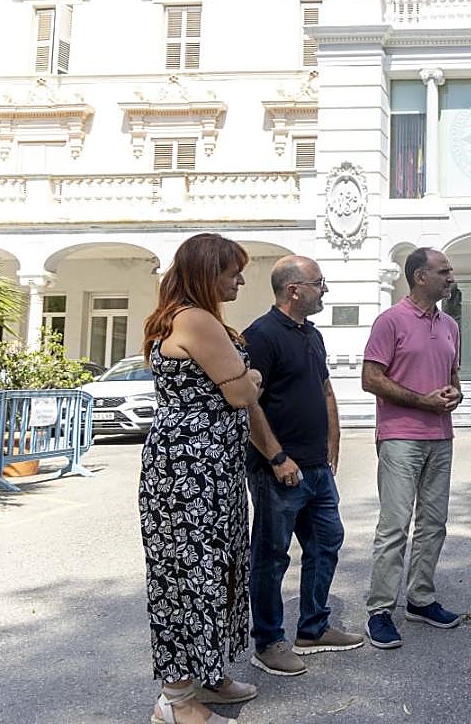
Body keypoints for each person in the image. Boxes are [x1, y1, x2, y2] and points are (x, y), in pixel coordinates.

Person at [140, 232, 262, 724]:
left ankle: (207, 674)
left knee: (217, 569)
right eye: (232, 271)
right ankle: (175, 699)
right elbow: (239, 394)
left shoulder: (184, 316)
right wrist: (250, 379)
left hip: (203, 468)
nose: (239, 278)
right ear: (207, 272)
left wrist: (240, 379)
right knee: (190, 574)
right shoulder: (196, 319)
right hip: (193, 471)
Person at [244, 256, 363, 678]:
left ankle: (312, 629)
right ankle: (268, 641)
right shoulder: (260, 336)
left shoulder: (311, 334)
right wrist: (277, 457)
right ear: (294, 289)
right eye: (319, 283)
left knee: (327, 541)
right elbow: (249, 404)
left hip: (315, 467)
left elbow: (324, 389)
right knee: (272, 556)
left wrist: (334, 437)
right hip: (280, 469)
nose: (324, 290)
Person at [361, 247, 463, 648]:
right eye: (443, 271)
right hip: (401, 436)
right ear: (420, 277)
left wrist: (455, 394)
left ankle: (420, 599)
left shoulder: (451, 324)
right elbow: (371, 378)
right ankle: (380, 610)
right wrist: (422, 401)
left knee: (433, 524)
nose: (450, 277)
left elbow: (452, 375)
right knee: (394, 527)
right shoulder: (391, 321)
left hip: (441, 437)